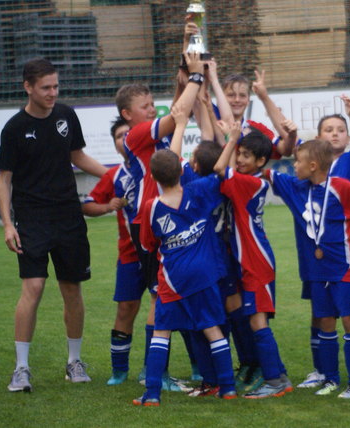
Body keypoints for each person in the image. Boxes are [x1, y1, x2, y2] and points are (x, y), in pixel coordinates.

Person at [0, 58, 108, 392]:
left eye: (56, 86)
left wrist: (115, 174)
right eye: (45, 87)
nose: (52, 93)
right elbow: (4, 180)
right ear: (28, 87)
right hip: (32, 220)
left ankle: (74, 362)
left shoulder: (66, 115)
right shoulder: (15, 127)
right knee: (34, 288)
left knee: (72, 288)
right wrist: (8, 225)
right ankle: (21, 368)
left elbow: (78, 156)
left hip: (69, 217)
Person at [115, 52, 205, 388]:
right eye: (145, 106)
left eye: (153, 103)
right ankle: (153, 373)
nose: (153, 109)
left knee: (169, 292)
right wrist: (195, 77)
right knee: (159, 295)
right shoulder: (136, 135)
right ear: (128, 114)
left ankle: (163, 370)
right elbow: (179, 113)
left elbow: (178, 107)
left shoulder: (154, 133)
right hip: (151, 220)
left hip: (166, 215)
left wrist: (186, 65)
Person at [266, 139, 350, 399]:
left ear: (313, 166)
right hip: (317, 270)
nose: (294, 166)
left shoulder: (342, 188)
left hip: (344, 267)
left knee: (349, 321)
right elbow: (266, 171)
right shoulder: (297, 187)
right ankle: (331, 378)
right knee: (325, 322)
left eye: (298, 162)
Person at [133, 147, 236, 406]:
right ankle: (228, 388)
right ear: (182, 171)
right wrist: (232, 139)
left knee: (161, 331)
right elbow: (220, 171)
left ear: (154, 178)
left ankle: (152, 393)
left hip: (173, 278)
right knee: (212, 329)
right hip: (204, 274)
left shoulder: (151, 207)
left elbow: (147, 243)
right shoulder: (198, 190)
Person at [212, 120, 293, 399]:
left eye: (247, 155)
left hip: (256, 262)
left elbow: (219, 169)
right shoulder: (251, 181)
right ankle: (278, 374)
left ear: (261, 160)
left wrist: (231, 139)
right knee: (254, 320)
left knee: (258, 322)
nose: (240, 159)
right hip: (252, 261)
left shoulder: (247, 182)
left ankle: (275, 381)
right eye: (240, 153)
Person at [298, 95, 350, 389]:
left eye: (340, 129)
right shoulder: (304, 175)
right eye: (328, 130)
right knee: (322, 315)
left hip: (347, 256)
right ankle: (324, 373)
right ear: (318, 138)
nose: (335, 134)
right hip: (314, 257)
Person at [82, 117, 151, 386]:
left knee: (171, 310)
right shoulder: (113, 176)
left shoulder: (154, 168)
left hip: (160, 253)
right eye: (119, 136)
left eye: (128, 134)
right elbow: (87, 205)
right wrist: (108, 205)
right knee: (126, 308)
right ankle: (119, 371)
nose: (124, 139)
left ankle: (160, 369)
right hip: (130, 255)